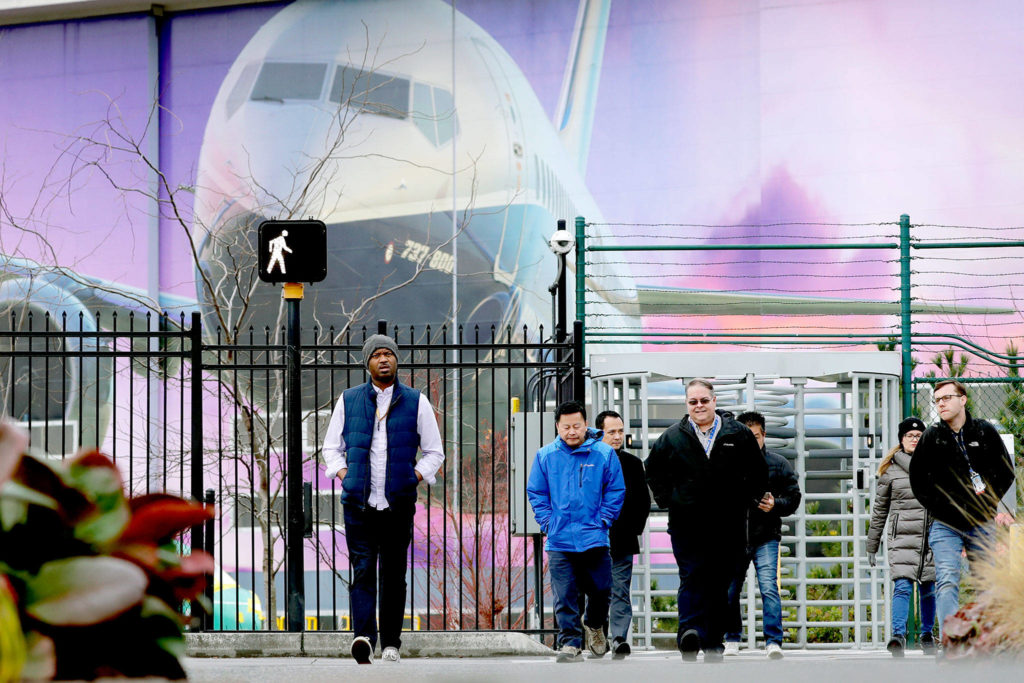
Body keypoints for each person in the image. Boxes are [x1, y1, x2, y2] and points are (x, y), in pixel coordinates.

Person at [321, 334, 445, 665]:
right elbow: (331, 448)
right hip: (358, 505)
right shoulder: (349, 399)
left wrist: (413, 477)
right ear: (368, 364)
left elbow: (435, 452)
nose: (384, 359)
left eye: (388, 353)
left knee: (393, 573)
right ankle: (363, 637)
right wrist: (345, 474)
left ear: (397, 360)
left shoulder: (417, 401)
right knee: (362, 570)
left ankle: (391, 642)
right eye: (376, 355)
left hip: (398, 504)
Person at [645, 379, 768, 663]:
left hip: (729, 526)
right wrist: (669, 500)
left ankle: (713, 642)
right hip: (686, 524)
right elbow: (652, 471)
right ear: (687, 405)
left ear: (714, 401)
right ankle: (689, 633)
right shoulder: (672, 437)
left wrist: (746, 502)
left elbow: (758, 473)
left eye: (703, 400)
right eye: (693, 402)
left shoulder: (738, 434)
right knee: (691, 577)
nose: (698, 406)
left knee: (719, 583)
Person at [909, 380, 1015, 642]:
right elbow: (919, 481)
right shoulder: (932, 438)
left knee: (986, 583)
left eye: (946, 398)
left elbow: (1006, 471)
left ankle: (985, 642)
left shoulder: (984, 432)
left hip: (981, 522)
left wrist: (987, 502)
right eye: (937, 400)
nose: (941, 404)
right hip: (945, 524)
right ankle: (952, 642)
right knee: (946, 579)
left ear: (963, 399)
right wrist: (941, 507)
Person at [527, 400, 626, 663]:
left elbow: (616, 490)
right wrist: (547, 521)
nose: (572, 432)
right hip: (559, 539)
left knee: (602, 590)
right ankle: (569, 643)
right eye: (566, 427)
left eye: (577, 426)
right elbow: (536, 491)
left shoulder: (604, 454)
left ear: (586, 425)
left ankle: (594, 625)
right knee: (565, 595)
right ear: (557, 426)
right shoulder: (545, 455)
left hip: (594, 536)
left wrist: (604, 518)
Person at [724, 411, 801, 660]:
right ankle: (731, 638)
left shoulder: (778, 463)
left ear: (764, 435)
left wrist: (775, 504)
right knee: (729, 590)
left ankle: (773, 641)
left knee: (769, 588)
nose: (750, 441)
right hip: (734, 536)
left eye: (755, 436)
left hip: (766, 536)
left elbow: (794, 497)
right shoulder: (727, 464)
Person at [866, 417, 936, 657]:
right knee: (903, 586)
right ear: (901, 439)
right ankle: (898, 636)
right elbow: (879, 510)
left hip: (930, 536)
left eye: (918, 436)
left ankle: (927, 635)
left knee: (929, 587)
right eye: (909, 436)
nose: (914, 440)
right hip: (902, 537)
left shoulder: (935, 466)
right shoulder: (890, 471)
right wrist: (872, 545)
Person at [594, 410, 651, 659]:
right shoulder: (588, 461)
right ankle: (597, 638)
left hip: (623, 540)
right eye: (612, 432)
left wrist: (632, 530)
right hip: (592, 541)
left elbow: (642, 502)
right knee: (594, 591)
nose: (618, 437)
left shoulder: (633, 464)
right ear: (598, 434)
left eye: (620, 431)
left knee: (620, 591)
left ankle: (618, 638)